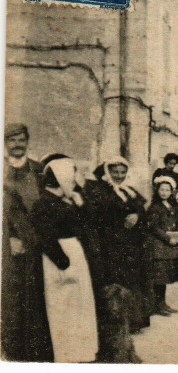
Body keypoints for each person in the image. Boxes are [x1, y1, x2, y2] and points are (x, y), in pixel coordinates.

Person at [30, 154, 98, 363]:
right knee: (63, 306)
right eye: (71, 176)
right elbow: (45, 238)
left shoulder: (63, 201)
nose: (74, 181)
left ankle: (79, 352)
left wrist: (79, 203)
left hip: (72, 254)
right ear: (62, 177)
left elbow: (85, 223)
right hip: (60, 259)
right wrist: (64, 264)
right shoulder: (44, 203)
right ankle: (67, 354)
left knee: (76, 305)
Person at [1, 123, 53, 362]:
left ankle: (34, 349)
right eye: (12, 140)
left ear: (27, 141)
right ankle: (11, 349)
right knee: (11, 295)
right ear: (5, 143)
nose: (17, 144)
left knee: (34, 294)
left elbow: (46, 202)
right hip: (7, 243)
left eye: (21, 139)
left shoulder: (37, 169)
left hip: (34, 240)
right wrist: (11, 236)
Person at [83, 156, 150, 333]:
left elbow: (142, 212)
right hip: (111, 245)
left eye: (122, 172)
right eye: (115, 172)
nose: (119, 176)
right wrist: (121, 220)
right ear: (108, 172)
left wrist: (137, 216)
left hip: (131, 245)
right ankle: (117, 323)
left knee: (132, 282)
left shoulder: (129, 191)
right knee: (115, 284)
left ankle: (134, 322)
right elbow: (98, 218)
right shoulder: (101, 191)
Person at [146, 176, 178, 317]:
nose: (164, 192)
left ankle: (162, 303)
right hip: (159, 246)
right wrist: (168, 238)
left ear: (171, 191)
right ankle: (157, 305)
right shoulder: (155, 208)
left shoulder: (173, 206)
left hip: (170, 245)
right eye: (162, 190)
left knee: (164, 277)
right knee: (159, 277)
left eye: (167, 190)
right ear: (157, 191)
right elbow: (154, 228)